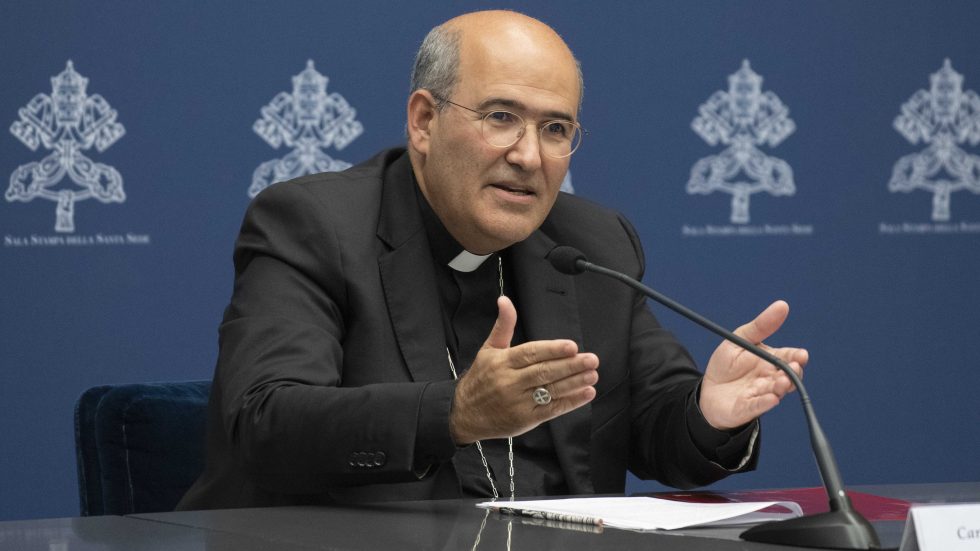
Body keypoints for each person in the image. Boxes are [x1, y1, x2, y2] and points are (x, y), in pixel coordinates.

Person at [178, 10, 807, 510]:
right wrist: (453, 414)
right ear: (424, 121)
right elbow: (266, 421)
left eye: (556, 129)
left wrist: (708, 413)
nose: (529, 155)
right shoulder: (316, 225)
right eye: (502, 117)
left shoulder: (592, 243)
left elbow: (654, 424)